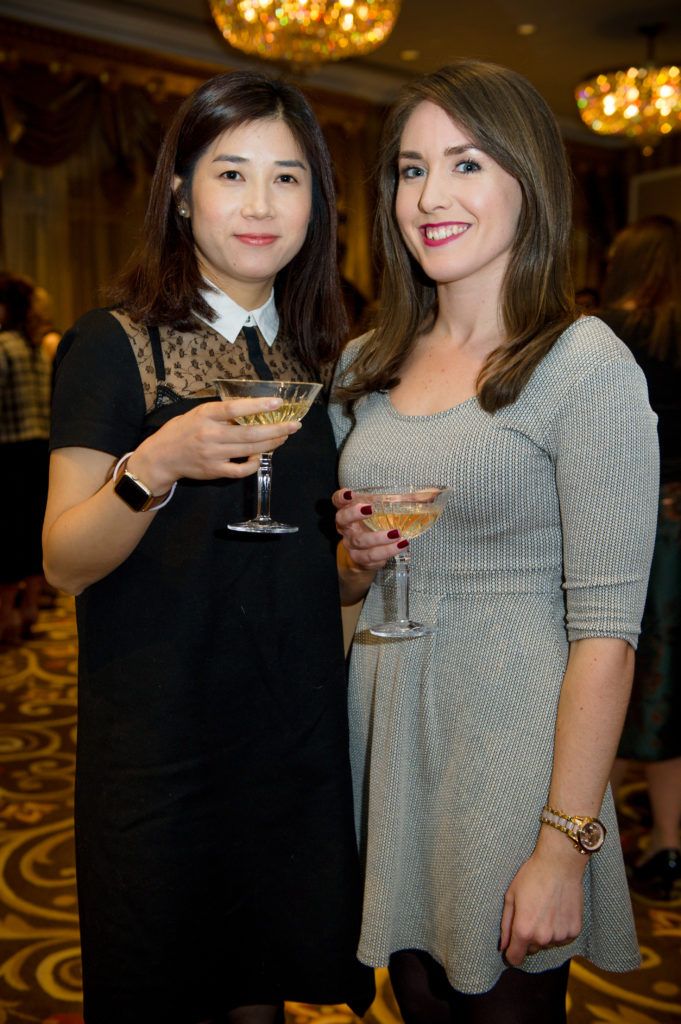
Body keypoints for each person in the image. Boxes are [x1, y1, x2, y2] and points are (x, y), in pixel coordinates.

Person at [329, 60, 659, 1024]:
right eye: (409, 168)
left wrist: (564, 841)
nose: (429, 196)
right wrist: (351, 561)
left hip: (516, 747)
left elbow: (607, 630)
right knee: (420, 1001)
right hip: (393, 733)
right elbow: (343, 584)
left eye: (466, 164)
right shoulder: (366, 359)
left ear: (529, 180)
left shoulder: (581, 364)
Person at [42, 71, 374, 1024]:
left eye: (289, 176)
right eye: (231, 174)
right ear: (182, 195)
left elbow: (318, 584)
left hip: (289, 741)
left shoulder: (325, 358)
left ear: (318, 201)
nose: (262, 204)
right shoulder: (114, 346)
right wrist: (157, 462)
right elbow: (65, 562)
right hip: (162, 753)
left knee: (261, 999)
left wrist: (357, 561)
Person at [600, 215, 681, 902]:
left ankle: (578, 832)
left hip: (624, 520)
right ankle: (668, 843)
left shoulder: (602, 338)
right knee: (668, 683)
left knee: (607, 662)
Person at [0, 272, 52, 644]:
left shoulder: (3, 346)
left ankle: (6, 617)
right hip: (39, 450)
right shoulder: (33, 347)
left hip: (8, 454)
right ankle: (31, 607)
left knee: (7, 539)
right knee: (33, 532)